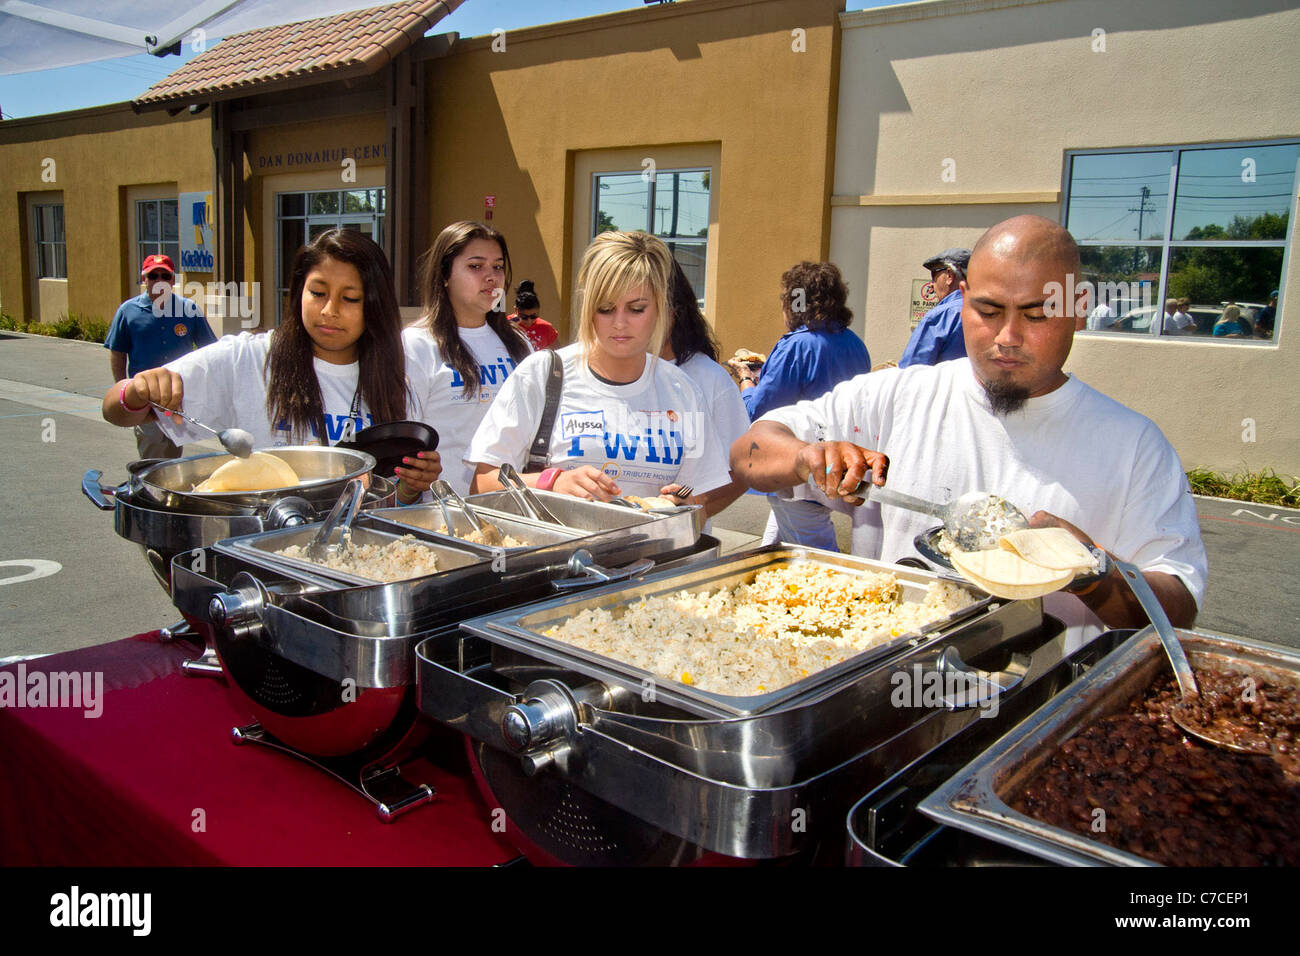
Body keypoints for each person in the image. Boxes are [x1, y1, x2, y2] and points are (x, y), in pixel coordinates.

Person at [730, 215, 1207, 652]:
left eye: (1036, 313)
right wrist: (806, 456)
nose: (1007, 336)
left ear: (1078, 308)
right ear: (961, 303)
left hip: (1039, 714)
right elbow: (746, 454)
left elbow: (1177, 610)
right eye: (988, 310)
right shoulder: (897, 396)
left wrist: (1089, 571)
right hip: (889, 696)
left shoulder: (1134, 446)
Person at [102, 229, 441, 505]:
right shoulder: (248, 359)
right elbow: (115, 410)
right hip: (264, 554)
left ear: (375, 305)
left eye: (350, 299)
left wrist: (411, 488)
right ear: (298, 293)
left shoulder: (393, 380)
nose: (329, 310)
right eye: (318, 293)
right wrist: (135, 391)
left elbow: (391, 499)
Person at [467, 231, 731, 510]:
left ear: (661, 309)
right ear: (588, 308)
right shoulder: (542, 374)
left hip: (652, 550)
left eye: (636, 309)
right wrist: (552, 482)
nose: (619, 323)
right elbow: (482, 485)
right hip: (557, 550)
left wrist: (684, 506)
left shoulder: (683, 390)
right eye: (605, 309)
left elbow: (699, 498)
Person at [727, 261, 869, 549]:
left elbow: (759, 411)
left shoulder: (795, 345)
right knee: (775, 541)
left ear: (795, 301)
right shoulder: (854, 343)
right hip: (840, 461)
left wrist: (745, 379)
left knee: (814, 555)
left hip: (801, 467)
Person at [403, 221, 533, 495]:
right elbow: (407, 446)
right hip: (439, 515)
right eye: (476, 266)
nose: (492, 277)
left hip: (509, 512)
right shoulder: (416, 345)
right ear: (444, 275)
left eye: (497, 266)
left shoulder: (519, 344)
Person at [104, 254, 217, 459]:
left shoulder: (188, 309)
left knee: (173, 453)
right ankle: (149, 490)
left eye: (165, 275)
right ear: (144, 279)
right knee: (152, 453)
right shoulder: (128, 311)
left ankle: (166, 491)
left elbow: (209, 350)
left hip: (179, 396)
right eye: (153, 275)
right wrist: (123, 390)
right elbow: (117, 353)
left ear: (173, 280)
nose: (159, 281)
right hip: (145, 397)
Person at [660, 258, 749, 516]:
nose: (624, 321)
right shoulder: (578, 373)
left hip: (679, 550)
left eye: (639, 307)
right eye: (609, 307)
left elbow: (742, 469)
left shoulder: (708, 379)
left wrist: (690, 509)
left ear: (674, 311)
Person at [898, 248, 972, 367]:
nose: (931, 285)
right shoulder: (990, 312)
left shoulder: (940, 316)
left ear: (949, 275)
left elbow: (911, 371)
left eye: (934, 275)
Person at [507, 279, 558, 350]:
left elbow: (559, 353)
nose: (529, 321)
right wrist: (507, 327)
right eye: (524, 317)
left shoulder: (546, 328)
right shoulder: (505, 325)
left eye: (533, 316)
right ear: (516, 310)